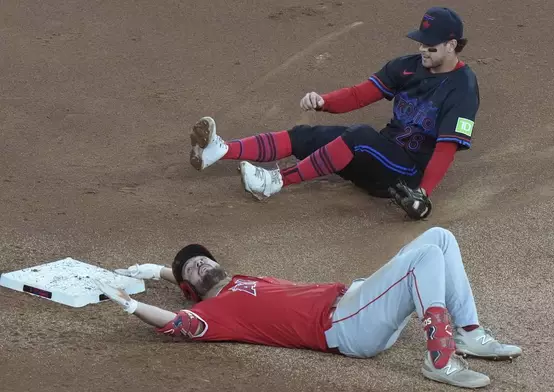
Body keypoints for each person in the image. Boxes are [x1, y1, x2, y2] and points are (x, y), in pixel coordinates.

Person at [97, 227, 521, 389]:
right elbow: (178, 325)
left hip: (358, 305)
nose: (202, 263)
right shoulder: (215, 311)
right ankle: (440, 359)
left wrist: (157, 270)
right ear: (193, 289)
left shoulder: (240, 280)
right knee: (425, 258)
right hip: (348, 326)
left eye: (203, 257)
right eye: (193, 267)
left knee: (440, 237)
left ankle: (470, 332)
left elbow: (183, 277)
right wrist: (133, 304)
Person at [188, 7, 479, 220]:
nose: (422, 49)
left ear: (452, 45)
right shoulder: (407, 65)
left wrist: (423, 193)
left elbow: (447, 147)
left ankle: (276, 182)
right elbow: (359, 94)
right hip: (379, 155)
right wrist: (323, 101)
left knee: (359, 136)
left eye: (429, 45)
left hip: (405, 176)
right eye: (420, 42)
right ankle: (220, 150)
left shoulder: (463, 88)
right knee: (307, 136)